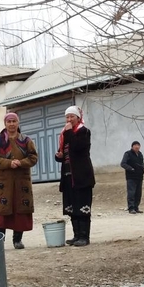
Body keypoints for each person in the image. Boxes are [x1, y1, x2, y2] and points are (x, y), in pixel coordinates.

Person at [0, 112, 38, 249]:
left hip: (21, 182)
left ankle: (17, 240)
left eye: (14, 121)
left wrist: (21, 163)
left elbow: (33, 157)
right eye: (9, 121)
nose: (11, 124)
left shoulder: (26, 140)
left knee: (19, 210)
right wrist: (8, 163)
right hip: (4, 183)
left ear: (18, 123)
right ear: (5, 124)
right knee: (2, 211)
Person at [55, 106, 95, 247]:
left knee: (82, 206)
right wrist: (59, 156)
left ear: (78, 118)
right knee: (72, 207)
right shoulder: (65, 134)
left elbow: (78, 147)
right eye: (67, 117)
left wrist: (69, 132)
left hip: (81, 176)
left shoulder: (84, 131)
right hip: (68, 177)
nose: (69, 119)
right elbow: (65, 153)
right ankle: (76, 235)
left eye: (72, 116)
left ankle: (84, 236)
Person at [121, 141, 144, 214]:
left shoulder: (140, 154)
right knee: (131, 193)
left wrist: (143, 168)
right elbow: (123, 164)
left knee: (138, 193)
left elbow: (142, 163)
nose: (137, 146)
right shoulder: (128, 154)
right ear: (132, 146)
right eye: (135, 145)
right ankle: (131, 208)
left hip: (139, 177)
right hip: (131, 177)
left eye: (138, 145)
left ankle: (136, 207)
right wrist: (131, 169)